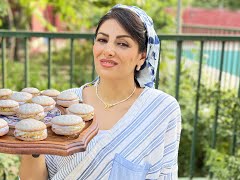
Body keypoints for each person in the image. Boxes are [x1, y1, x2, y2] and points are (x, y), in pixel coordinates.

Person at [19, 4, 181, 180]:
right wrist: (32, 142)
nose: (108, 51)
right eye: (102, 40)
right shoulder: (67, 103)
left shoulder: (161, 109)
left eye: (122, 43)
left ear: (142, 56)